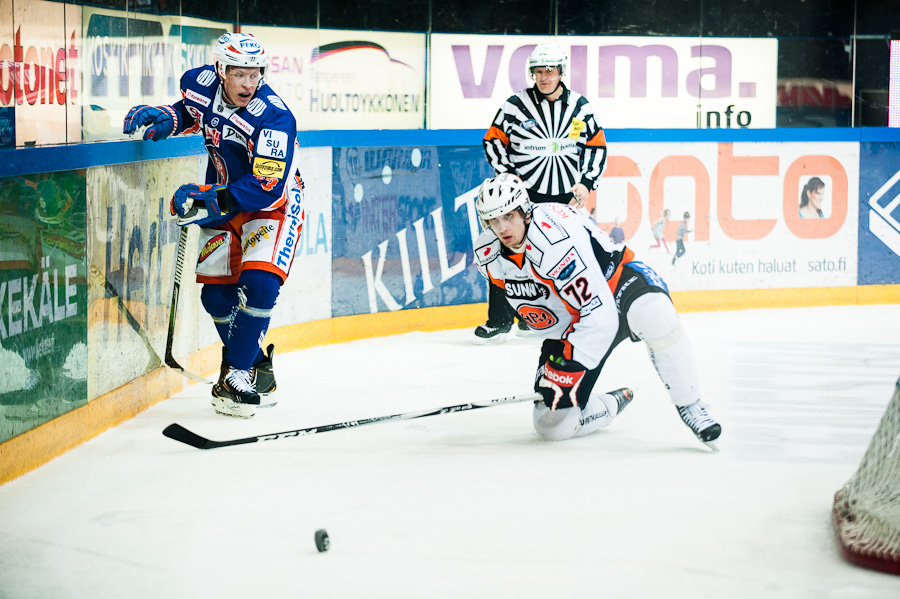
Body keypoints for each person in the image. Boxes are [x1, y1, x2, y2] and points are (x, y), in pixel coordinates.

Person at [123, 33, 304, 419]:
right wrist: (169, 118)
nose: (247, 84)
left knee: (259, 284)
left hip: (272, 205)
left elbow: (267, 186)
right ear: (220, 70)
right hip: (223, 196)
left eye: (254, 74)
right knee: (217, 298)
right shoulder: (200, 83)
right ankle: (258, 366)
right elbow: (193, 111)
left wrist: (210, 198)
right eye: (238, 74)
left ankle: (236, 374)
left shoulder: (274, 117)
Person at [472, 174, 721, 448]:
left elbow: (598, 313)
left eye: (509, 216)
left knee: (655, 314)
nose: (502, 227)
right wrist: (556, 369)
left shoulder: (553, 240)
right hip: (573, 320)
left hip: (616, 284)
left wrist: (569, 365)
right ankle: (611, 403)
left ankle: (691, 404)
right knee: (551, 426)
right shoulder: (488, 253)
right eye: (493, 220)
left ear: (524, 210)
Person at [475, 42, 608, 345]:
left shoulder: (580, 107)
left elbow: (596, 145)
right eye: (538, 71)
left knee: (563, 256)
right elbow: (493, 141)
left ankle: (543, 316)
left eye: (549, 70)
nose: (544, 77)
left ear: (561, 71)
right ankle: (500, 320)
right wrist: (509, 176)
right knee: (505, 254)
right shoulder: (515, 105)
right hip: (522, 198)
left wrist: (587, 183)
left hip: (565, 197)